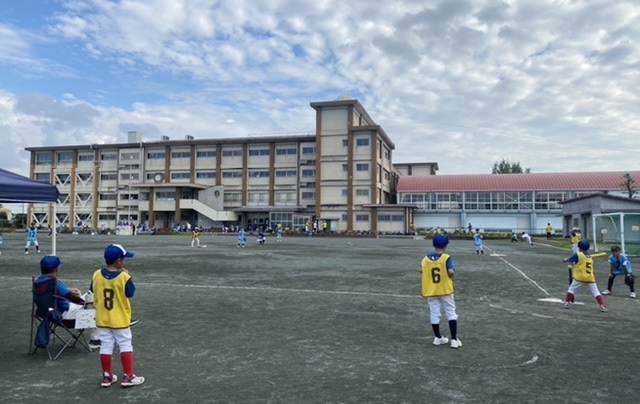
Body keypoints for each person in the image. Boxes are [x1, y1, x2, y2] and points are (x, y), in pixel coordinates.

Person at [90, 244, 144, 388]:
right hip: (119, 318)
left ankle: (107, 376)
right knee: (125, 344)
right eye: (123, 259)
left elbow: (92, 290)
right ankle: (128, 376)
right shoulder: (124, 277)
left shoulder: (96, 274)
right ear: (118, 261)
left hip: (102, 317)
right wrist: (128, 276)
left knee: (106, 345)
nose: (125, 261)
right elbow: (130, 293)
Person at [36, 255, 100, 347]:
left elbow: (51, 293)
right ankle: (95, 340)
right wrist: (87, 303)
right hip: (64, 316)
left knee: (88, 295)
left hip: (46, 313)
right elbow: (72, 298)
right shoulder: (54, 282)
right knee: (99, 304)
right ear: (56, 269)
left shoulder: (38, 281)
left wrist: (67, 290)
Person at [420, 234, 461, 349]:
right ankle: (454, 339)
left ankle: (437, 337)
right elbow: (451, 271)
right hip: (445, 289)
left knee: (434, 313)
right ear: (446, 246)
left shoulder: (426, 258)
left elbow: (421, 270)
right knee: (451, 312)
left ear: (434, 245)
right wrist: (449, 276)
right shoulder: (446, 258)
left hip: (432, 290)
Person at [562, 240, 608, 312]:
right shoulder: (589, 257)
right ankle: (603, 306)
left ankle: (567, 303)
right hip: (590, 277)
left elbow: (570, 260)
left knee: (571, 289)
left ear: (580, 248)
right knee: (596, 292)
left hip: (580, 277)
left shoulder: (578, 254)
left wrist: (565, 260)